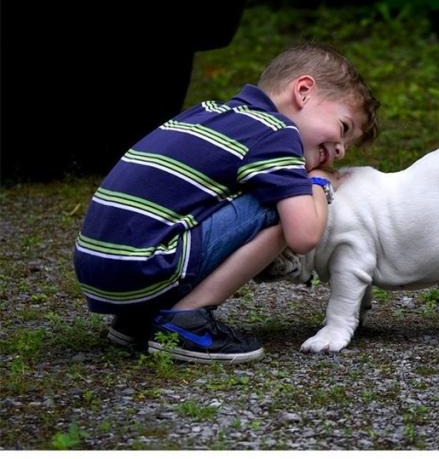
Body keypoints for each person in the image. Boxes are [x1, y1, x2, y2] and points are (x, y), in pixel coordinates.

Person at [73, 43, 379, 364]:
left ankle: (137, 320)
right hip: (144, 267)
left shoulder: (206, 113)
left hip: (99, 270)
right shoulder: (277, 133)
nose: (341, 150)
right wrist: (316, 182)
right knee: (280, 204)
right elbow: (304, 235)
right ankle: (186, 321)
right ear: (303, 91)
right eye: (343, 128)